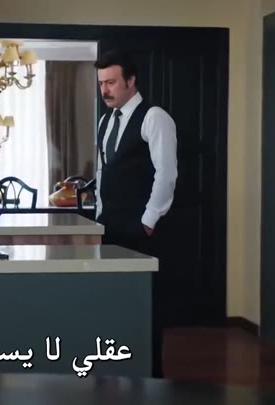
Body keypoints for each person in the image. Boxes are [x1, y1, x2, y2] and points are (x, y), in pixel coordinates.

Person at [94, 50, 178, 378]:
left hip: (141, 229)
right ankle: (118, 373)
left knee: (147, 306)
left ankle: (151, 377)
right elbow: (103, 171)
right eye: (102, 83)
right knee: (115, 302)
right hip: (110, 227)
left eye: (111, 82)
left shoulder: (154, 117)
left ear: (131, 81)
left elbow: (166, 174)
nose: (105, 90)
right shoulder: (105, 121)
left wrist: (148, 221)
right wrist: (100, 214)